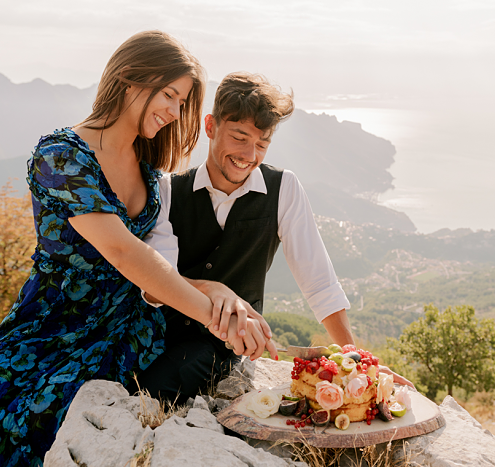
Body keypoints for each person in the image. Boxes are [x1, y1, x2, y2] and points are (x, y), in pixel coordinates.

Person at [0, 32, 275, 466]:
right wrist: (214, 319)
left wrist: (216, 290)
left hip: (130, 335)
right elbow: (123, 255)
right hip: (55, 330)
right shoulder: (61, 156)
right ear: (129, 79)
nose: (174, 112)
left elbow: (149, 273)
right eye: (170, 95)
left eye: (182, 103)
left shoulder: (148, 171)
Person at [136, 72, 413, 404]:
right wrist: (213, 291)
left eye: (262, 143)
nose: (249, 155)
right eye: (239, 137)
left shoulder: (284, 189)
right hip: (155, 334)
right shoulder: (168, 189)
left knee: (163, 383)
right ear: (210, 126)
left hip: (221, 347)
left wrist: (357, 362)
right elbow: (153, 287)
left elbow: (319, 283)